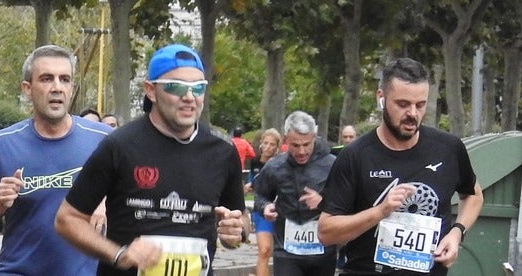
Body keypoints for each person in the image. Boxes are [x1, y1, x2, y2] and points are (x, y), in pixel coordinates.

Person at [58, 44, 247, 275]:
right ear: (150, 90)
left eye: (198, 88)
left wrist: (235, 233)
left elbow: (239, 222)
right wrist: (118, 254)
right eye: (176, 87)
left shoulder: (222, 151)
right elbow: (68, 219)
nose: (189, 97)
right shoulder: (119, 146)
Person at [318, 58, 483, 275]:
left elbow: (473, 195)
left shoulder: (448, 148)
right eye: (403, 104)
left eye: (420, 105)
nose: (413, 114)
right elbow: (326, 232)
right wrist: (380, 212)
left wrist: (456, 233)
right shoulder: (355, 156)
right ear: (381, 98)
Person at [0, 45, 112, 275]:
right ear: (28, 88)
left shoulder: (103, 140)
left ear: (72, 87)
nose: (57, 88)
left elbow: (134, 198)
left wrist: (105, 201)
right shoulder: (1, 144)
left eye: (64, 79)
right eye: (46, 79)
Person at [253, 111, 338, 275]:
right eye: (295, 145)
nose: (301, 151)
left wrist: (323, 202)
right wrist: (265, 207)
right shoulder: (275, 166)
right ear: (286, 140)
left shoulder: (332, 164)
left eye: (306, 144)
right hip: (287, 251)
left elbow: (346, 203)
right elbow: (259, 195)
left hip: (323, 250)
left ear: (314, 137)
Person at [247, 127, 281, 275]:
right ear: (261, 144)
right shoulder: (254, 162)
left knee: (280, 254)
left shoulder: (280, 163)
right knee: (264, 250)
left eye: (272, 144)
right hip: (261, 210)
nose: (268, 147)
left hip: (280, 210)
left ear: (277, 147)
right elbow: (251, 184)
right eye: (265, 143)